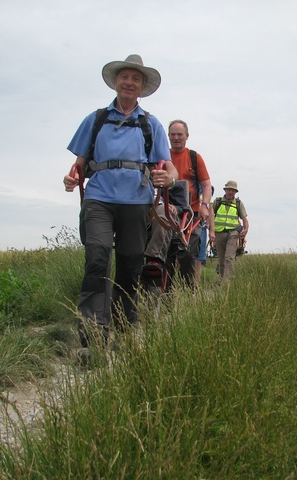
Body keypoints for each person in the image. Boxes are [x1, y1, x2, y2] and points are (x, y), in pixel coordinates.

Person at [63, 54, 178, 357]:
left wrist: (168, 177)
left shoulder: (150, 124)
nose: (129, 82)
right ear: (116, 82)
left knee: (130, 264)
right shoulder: (96, 119)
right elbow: (79, 163)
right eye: (124, 77)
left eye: (135, 79)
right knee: (97, 257)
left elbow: (169, 168)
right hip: (99, 198)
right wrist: (73, 176)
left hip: (137, 202)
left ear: (142, 87)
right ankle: (93, 337)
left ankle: (124, 327)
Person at [143, 119, 212, 288]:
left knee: (187, 253)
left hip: (191, 214)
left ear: (186, 136)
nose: (176, 138)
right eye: (172, 134)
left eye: (179, 134)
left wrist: (205, 206)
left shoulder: (194, 158)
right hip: (166, 206)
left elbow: (206, 185)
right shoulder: (162, 158)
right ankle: (164, 290)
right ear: (167, 136)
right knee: (166, 250)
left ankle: (188, 292)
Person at [209, 180, 249, 280]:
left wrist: (246, 229)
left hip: (233, 233)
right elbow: (210, 216)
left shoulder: (238, 203)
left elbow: (244, 219)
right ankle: (222, 279)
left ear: (235, 192)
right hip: (219, 233)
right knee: (221, 260)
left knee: (229, 258)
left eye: (233, 190)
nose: (230, 192)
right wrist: (211, 231)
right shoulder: (217, 202)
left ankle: (227, 283)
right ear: (225, 190)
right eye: (229, 189)